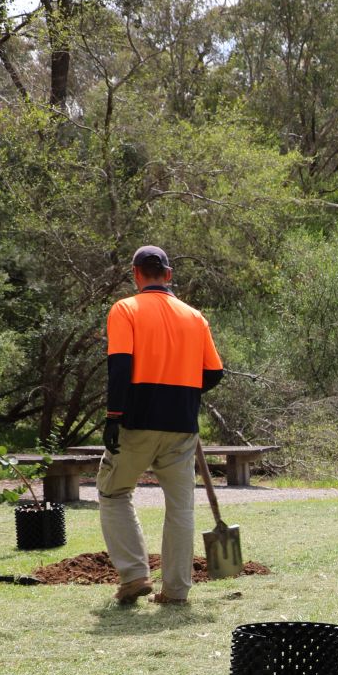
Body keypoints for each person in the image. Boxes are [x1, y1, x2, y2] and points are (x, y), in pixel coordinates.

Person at [98, 246, 223, 606]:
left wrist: (113, 416)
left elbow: (120, 368)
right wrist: (183, 392)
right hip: (182, 425)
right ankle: (176, 591)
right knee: (180, 508)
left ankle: (135, 575)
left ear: (136, 274)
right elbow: (214, 372)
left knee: (113, 492)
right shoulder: (195, 317)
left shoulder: (125, 309)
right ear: (168, 274)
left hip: (136, 422)